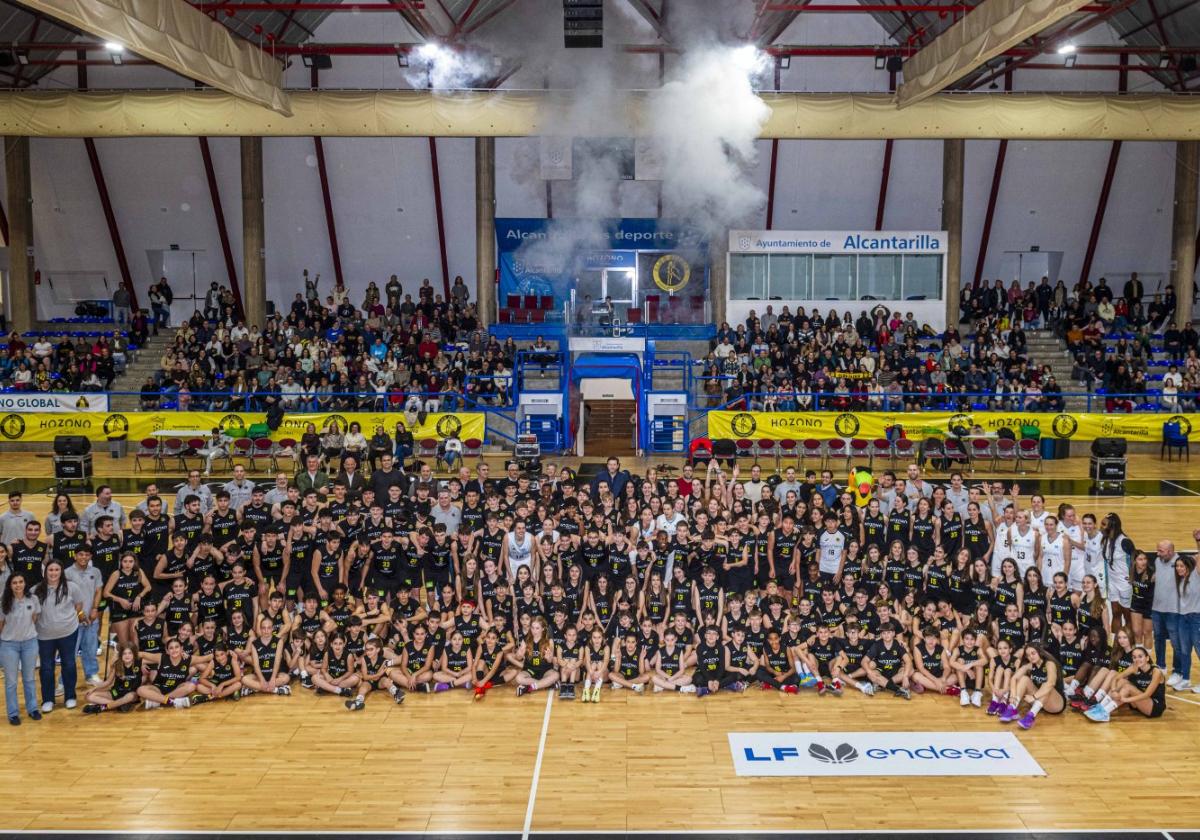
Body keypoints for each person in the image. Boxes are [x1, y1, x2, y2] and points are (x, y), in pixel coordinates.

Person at [34, 559, 86, 713]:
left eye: (57, 570)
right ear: (45, 572)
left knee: (69, 664)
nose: (54, 573)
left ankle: (70, 697)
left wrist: (74, 617)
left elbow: (79, 605)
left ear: (61, 571)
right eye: (50, 570)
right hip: (44, 636)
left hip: (68, 633)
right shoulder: (36, 590)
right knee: (47, 668)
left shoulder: (71, 587)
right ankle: (48, 699)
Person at [0, 573, 40, 725]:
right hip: (9, 645)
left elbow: (34, 618)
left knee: (29, 678)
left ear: (25, 583)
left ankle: (33, 709)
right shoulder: (4, 602)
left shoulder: (33, 599)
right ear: (10, 585)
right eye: (14, 582)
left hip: (30, 643)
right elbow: (1, 625)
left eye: (21, 582)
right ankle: (13, 713)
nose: (18, 585)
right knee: (11, 682)